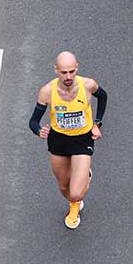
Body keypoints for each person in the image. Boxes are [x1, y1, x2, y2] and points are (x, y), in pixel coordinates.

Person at [29, 52, 108, 230]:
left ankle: (80, 189)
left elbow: (103, 98)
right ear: (56, 70)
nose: (69, 77)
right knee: (64, 186)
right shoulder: (47, 91)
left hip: (82, 139)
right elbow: (33, 121)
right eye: (64, 72)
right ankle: (74, 203)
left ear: (77, 68)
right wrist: (39, 130)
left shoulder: (88, 85)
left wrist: (97, 124)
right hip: (58, 141)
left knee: (76, 191)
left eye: (72, 71)